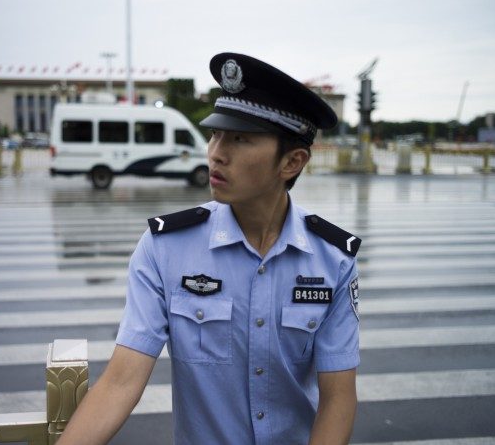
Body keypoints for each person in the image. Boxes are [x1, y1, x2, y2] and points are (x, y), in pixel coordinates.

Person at [58, 52, 361, 445]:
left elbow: (338, 397)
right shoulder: (165, 248)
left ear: (292, 161)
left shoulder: (333, 260)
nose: (216, 152)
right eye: (216, 133)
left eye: (239, 139)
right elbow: (120, 382)